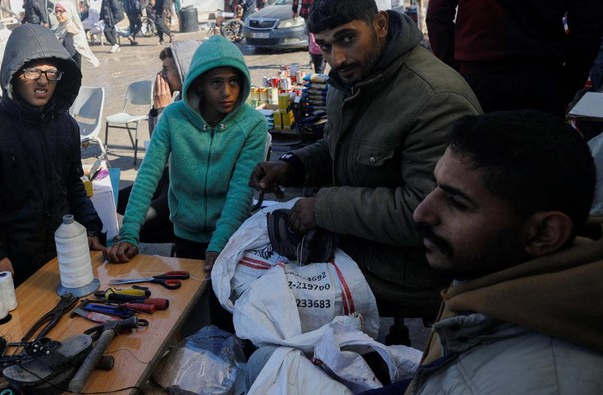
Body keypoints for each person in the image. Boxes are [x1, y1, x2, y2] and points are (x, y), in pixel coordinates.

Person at [250, 0, 482, 316]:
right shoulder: (350, 79)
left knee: (262, 303)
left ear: (381, 25)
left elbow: (429, 213)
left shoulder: (435, 98)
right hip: (357, 245)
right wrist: (292, 166)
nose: (338, 58)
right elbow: (341, 148)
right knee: (245, 277)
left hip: (411, 272)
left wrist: (322, 209)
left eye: (347, 38)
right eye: (326, 47)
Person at [378, 110, 603, 394]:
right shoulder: (491, 267)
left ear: (545, 234)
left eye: (457, 202)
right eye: (436, 186)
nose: (421, 213)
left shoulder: (538, 384)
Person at [0, 24, 105, 286]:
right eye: (32, 71)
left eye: (51, 72)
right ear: (13, 73)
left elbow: (73, 184)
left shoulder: (66, 126)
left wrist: (90, 227)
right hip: (12, 264)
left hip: (65, 256)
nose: (43, 80)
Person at [106, 35, 267, 273]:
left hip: (229, 232)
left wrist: (220, 241)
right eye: (216, 83)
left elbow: (241, 189)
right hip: (183, 232)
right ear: (199, 83)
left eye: (234, 81)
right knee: (186, 299)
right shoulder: (173, 117)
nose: (227, 92)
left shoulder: (253, 124)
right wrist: (129, 233)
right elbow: (148, 175)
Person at [426, 1, 603, 117]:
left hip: (477, 77)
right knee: (540, 167)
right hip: (542, 80)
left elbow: (437, 17)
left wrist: (456, 77)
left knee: (478, 166)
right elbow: (588, 27)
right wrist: (568, 87)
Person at [117, 41, 202, 242]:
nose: (161, 76)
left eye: (166, 69)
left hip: (186, 193)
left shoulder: (202, 107)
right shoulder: (180, 99)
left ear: (184, 72)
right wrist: (158, 111)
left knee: (125, 226)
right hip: (166, 180)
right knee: (113, 203)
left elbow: (177, 157)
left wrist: (164, 111)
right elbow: (156, 153)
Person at [54, 1, 99, 69]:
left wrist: (69, 35)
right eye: (56, 12)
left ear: (69, 11)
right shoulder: (58, 30)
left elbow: (69, 53)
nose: (58, 15)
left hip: (72, 73)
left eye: (61, 11)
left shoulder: (74, 29)